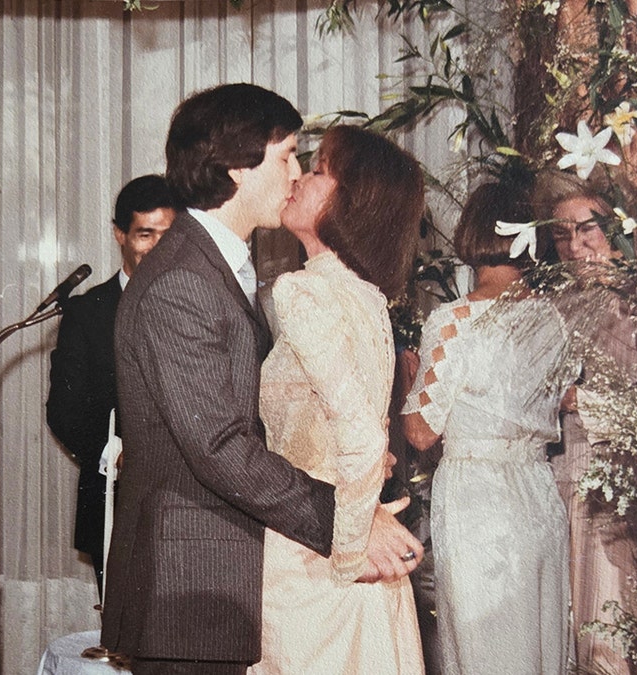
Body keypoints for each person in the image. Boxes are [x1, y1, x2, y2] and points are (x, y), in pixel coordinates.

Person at [102, 83, 423, 675]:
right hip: (193, 586)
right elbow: (220, 445)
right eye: (288, 156)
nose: (296, 174)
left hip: (234, 581)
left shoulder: (226, 269)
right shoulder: (183, 281)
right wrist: (347, 522)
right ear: (236, 167)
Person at [250, 125, 426, 674]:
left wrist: (349, 554)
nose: (298, 178)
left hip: (312, 567)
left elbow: (365, 438)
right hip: (336, 542)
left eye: (318, 169)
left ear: (354, 202)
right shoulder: (368, 297)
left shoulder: (302, 290)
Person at [402, 180, 576, 674]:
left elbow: (421, 432)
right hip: (537, 492)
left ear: (471, 235)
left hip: (478, 499)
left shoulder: (454, 321)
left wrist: (406, 377)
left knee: (486, 643)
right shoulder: (556, 319)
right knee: (537, 637)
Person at [46, 174, 176, 593]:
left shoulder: (199, 304)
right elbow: (63, 411)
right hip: (114, 504)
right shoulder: (86, 312)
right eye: (145, 234)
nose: (158, 248)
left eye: (168, 234)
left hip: (188, 511)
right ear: (120, 234)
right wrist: (115, 453)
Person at [533, 170, 637, 674]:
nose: (574, 247)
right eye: (561, 235)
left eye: (586, 230)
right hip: (553, 486)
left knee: (606, 640)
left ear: (615, 227)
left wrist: (578, 400)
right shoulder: (552, 305)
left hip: (611, 493)